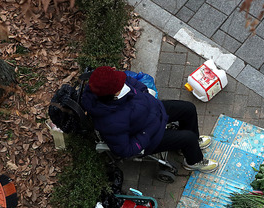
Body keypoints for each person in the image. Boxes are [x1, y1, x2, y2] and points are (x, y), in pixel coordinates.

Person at [80, 66, 218, 173]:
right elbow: (124, 150)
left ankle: (188, 146)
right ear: (111, 96)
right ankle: (193, 162)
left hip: (155, 111)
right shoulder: (110, 121)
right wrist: (146, 134)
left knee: (188, 109)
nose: (124, 84)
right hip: (151, 137)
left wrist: (144, 91)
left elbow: (132, 82)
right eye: (120, 86)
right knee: (188, 137)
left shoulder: (113, 84)